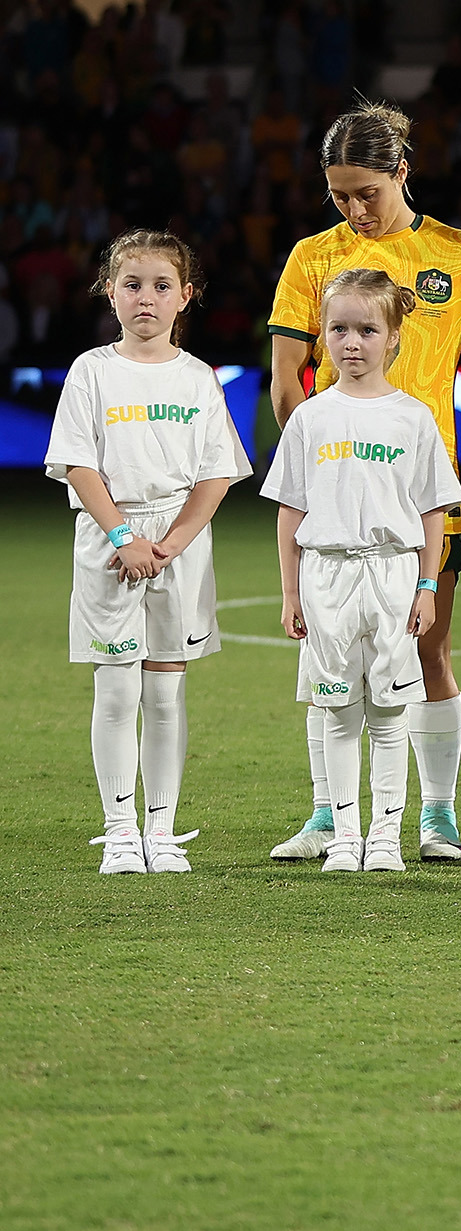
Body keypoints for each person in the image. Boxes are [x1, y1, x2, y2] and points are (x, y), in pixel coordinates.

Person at [266, 102, 461, 865]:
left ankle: (436, 815)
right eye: (339, 195)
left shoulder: (459, 253)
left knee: (428, 656)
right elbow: (287, 384)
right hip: (338, 505)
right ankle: (330, 816)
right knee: (328, 673)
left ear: (403, 171)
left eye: (368, 191)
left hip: (419, 500)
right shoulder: (311, 257)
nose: (354, 209)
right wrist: (324, 472)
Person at [49, 231, 250, 875]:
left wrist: (166, 547)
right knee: (115, 693)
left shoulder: (198, 378)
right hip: (110, 541)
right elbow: (78, 463)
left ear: (185, 296)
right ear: (111, 292)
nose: (146, 298)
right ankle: (118, 830)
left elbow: (216, 475)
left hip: (176, 547)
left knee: (165, 696)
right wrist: (122, 538)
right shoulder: (91, 370)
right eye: (132, 284)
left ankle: (161, 832)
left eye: (162, 285)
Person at [266, 269, 461, 874]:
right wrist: (291, 589)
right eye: (339, 329)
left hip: (394, 574)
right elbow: (291, 508)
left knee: (389, 712)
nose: (352, 342)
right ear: (322, 338)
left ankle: (384, 838)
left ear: (393, 337)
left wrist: (428, 587)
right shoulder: (309, 419)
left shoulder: (412, 417)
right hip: (327, 575)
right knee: (337, 710)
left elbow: (433, 511)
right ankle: (345, 837)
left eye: (367, 329)